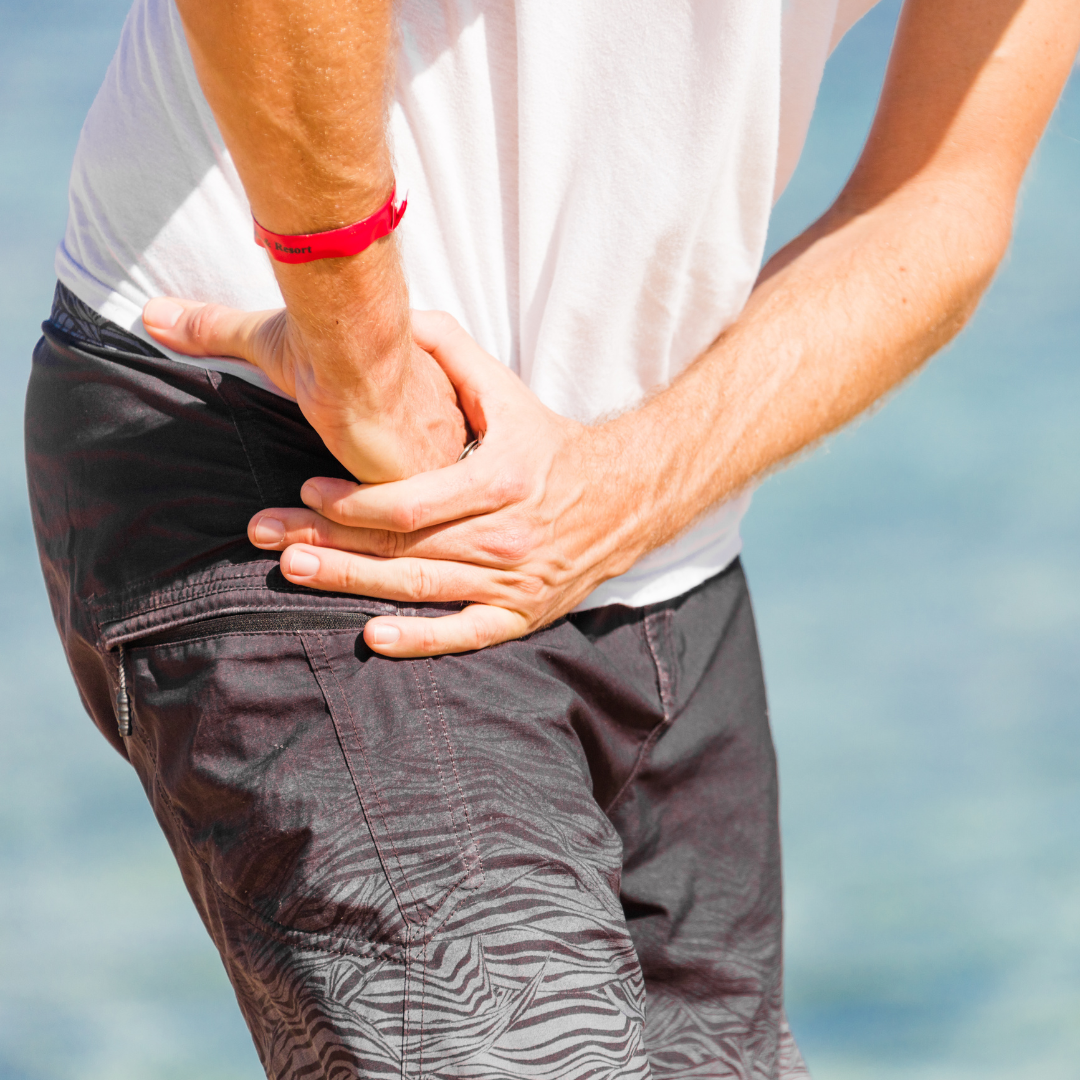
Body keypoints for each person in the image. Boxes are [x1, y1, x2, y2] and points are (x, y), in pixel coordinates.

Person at [25, 0, 1079, 1076]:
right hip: (301, 446)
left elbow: (944, 190)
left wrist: (624, 487)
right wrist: (362, 351)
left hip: (654, 534)